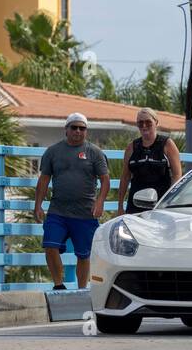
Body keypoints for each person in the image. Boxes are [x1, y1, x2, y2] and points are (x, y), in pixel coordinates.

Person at [34, 112, 110, 291]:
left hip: (85, 213)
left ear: (86, 131)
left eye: (82, 128)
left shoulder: (95, 153)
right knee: (50, 245)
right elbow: (44, 180)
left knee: (83, 255)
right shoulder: (52, 152)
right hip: (58, 211)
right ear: (66, 130)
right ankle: (58, 285)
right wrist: (38, 205)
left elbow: (105, 180)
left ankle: (82, 289)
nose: (77, 131)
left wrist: (99, 203)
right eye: (74, 127)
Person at [118, 107, 182, 214]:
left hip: (160, 205)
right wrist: (120, 206)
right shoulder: (132, 147)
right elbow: (125, 177)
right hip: (135, 205)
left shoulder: (167, 144)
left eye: (148, 122)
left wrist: (168, 200)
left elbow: (177, 175)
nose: (144, 126)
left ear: (156, 122)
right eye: (140, 123)